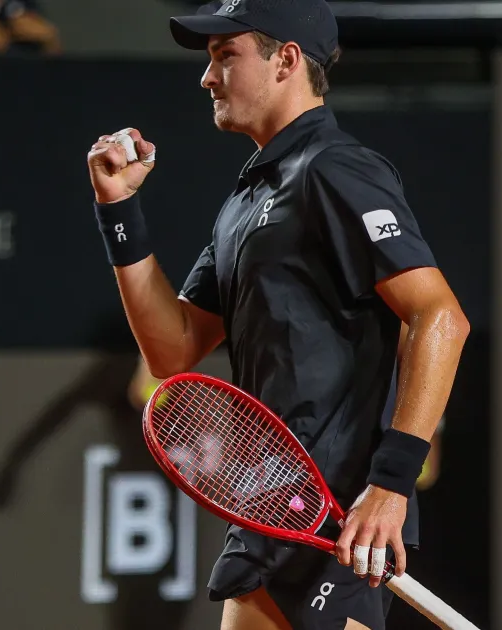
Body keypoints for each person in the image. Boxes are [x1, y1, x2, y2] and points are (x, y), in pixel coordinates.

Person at [84, 0, 470, 627]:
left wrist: (391, 484)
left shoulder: (336, 169)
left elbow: (440, 317)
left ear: (286, 60)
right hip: (274, 506)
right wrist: (118, 211)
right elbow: (171, 349)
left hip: (339, 511)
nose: (207, 77)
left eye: (225, 56)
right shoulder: (245, 203)